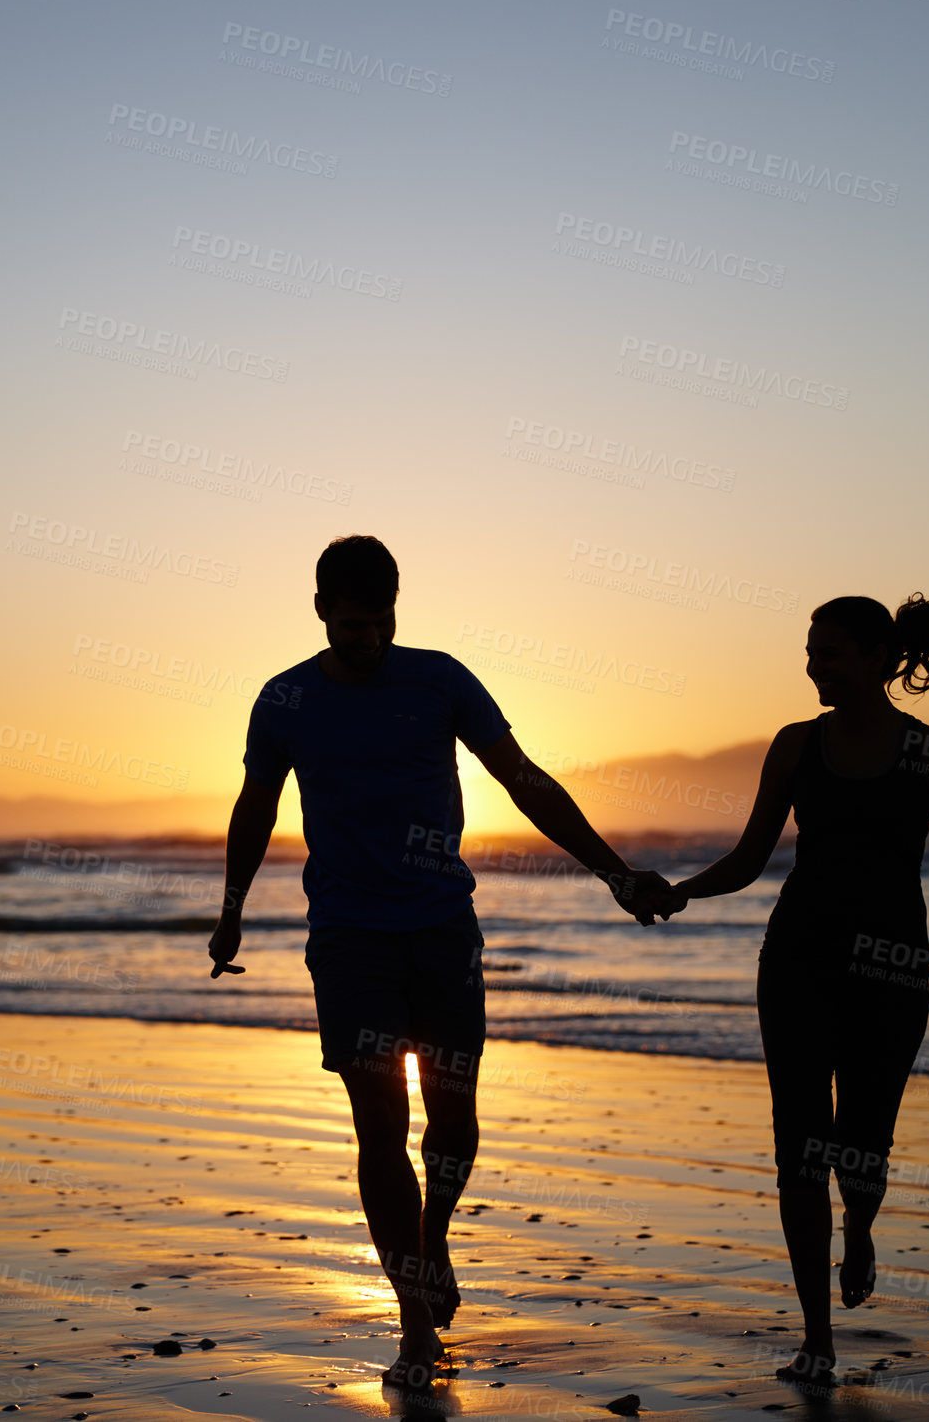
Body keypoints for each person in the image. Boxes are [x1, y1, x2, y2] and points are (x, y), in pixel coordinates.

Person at [207, 535, 673, 1387]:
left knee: (452, 1120)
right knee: (380, 1126)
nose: (365, 638)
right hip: (348, 939)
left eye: (378, 622)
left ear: (396, 610)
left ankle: (435, 1237)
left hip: (441, 930)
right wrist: (232, 909)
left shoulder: (442, 679)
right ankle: (414, 1319)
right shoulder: (285, 700)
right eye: (349, 624)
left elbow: (525, 781)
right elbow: (254, 806)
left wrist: (613, 872)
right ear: (320, 611)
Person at [650, 594, 929, 1394]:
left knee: (862, 1149)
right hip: (797, 964)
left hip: (892, 973)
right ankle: (816, 1339)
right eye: (810, 650)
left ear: (871, 658)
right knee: (800, 1151)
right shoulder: (795, 747)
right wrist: (681, 892)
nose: (812, 665)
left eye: (825, 652)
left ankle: (859, 1227)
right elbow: (753, 857)